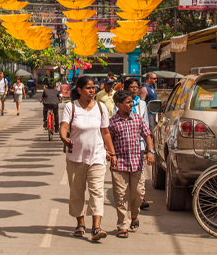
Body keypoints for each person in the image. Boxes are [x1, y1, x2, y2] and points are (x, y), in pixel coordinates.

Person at [60, 75, 116, 241]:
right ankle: (80, 222)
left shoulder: (100, 108)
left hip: (97, 157)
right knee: (77, 193)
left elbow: (105, 132)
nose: (92, 91)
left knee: (97, 192)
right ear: (79, 90)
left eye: (93, 88)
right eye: (88, 88)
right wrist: (64, 138)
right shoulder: (71, 107)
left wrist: (112, 153)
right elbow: (64, 126)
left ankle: (96, 227)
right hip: (75, 158)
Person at [109, 90, 155, 238]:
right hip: (119, 164)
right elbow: (107, 140)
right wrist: (110, 154)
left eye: (132, 102)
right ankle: (123, 225)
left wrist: (150, 151)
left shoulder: (137, 119)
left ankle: (134, 215)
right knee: (121, 195)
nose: (131, 105)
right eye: (128, 102)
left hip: (137, 163)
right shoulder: (112, 122)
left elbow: (147, 134)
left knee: (137, 193)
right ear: (119, 105)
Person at [123, 77, 151, 210]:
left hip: (139, 142)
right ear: (126, 89)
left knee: (139, 171)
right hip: (125, 142)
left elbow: (145, 122)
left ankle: (140, 197)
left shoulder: (142, 104)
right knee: (127, 171)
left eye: (136, 87)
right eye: (131, 87)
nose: (134, 90)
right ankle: (128, 196)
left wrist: (148, 144)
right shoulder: (121, 103)